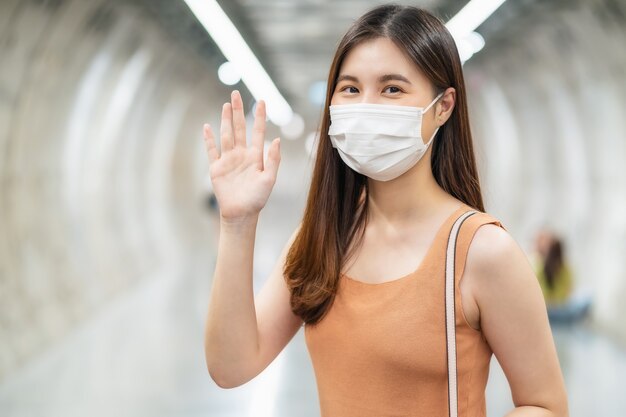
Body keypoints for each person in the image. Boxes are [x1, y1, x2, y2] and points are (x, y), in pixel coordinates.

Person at [201, 4, 569, 416]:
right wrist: (237, 223)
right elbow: (231, 367)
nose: (366, 107)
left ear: (444, 106)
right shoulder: (320, 239)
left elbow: (545, 405)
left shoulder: (482, 251)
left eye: (392, 88)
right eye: (350, 89)